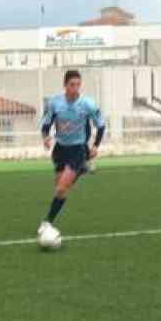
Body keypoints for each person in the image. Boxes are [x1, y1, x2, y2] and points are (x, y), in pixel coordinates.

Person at [37, 69, 105, 242]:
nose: (75, 88)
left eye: (78, 85)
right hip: (60, 149)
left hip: (77, 149)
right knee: (59, 189)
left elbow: (101, 124)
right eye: (72, 85)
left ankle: (46, 223)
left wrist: (95, 145)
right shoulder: (55, 103)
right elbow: (46, 124)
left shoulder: (87, 104)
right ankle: (81, 169)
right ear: (65, 85)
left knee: (62, 188)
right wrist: (46, 138)